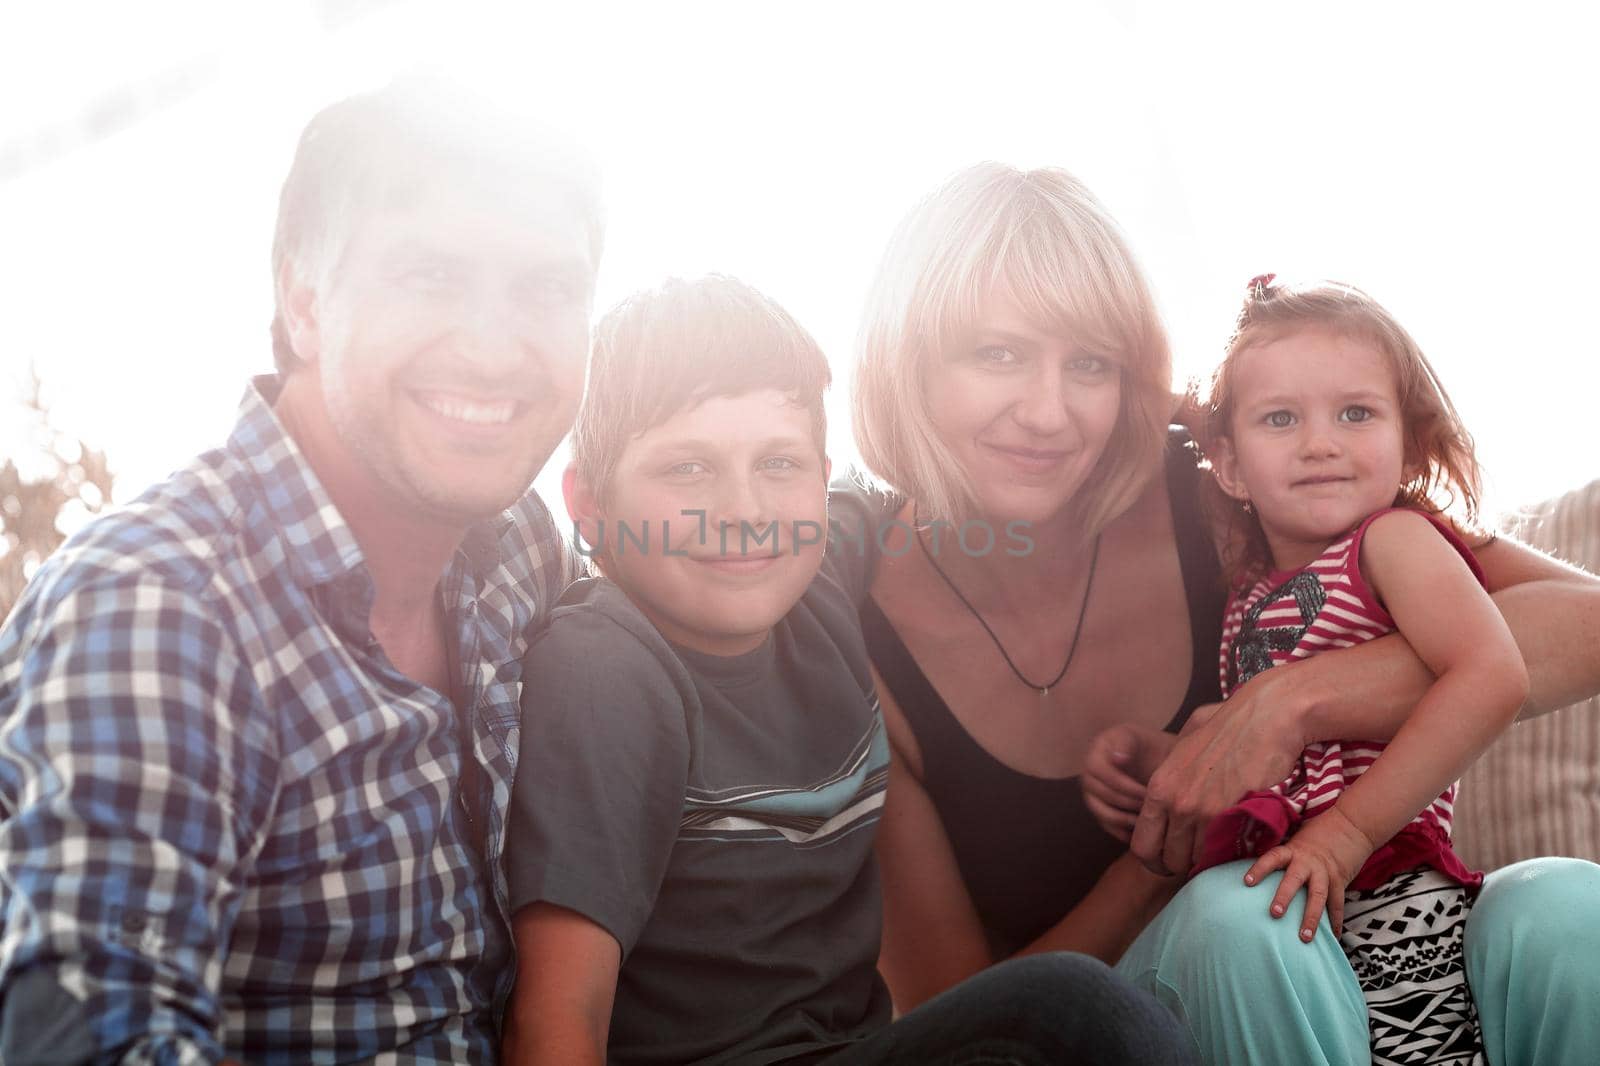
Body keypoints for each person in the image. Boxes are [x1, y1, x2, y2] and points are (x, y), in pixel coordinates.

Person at [843, 161, 1600, 1065]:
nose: (1047, 413)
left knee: (1563, 902)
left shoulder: (1218, 493)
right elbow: (967, 1017)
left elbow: (1582, 621)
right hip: (1147, 1009)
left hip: (1366, 958)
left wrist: (1291, 702)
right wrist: (1162, 856)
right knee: (1239, 923)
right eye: (997, 354)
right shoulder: (858, 640)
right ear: (907, 361)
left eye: (1089, 364)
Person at [0, 80, 599, 1062]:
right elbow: (92, 1027)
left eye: (546, 289)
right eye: (430, 276)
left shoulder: (516, 545)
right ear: (304, 302)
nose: (495, 350)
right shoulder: (161, 608)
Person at [501, 275, 1195, 1066]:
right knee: (1070, 1013)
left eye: (779, 463)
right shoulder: (606, 671)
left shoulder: (821, 574)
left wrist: (1203, 414)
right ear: (589, 505)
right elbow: (557, 1014)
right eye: (687, 470)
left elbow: (933, 467)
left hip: (858, 1047)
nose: (744, 510)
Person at [1088, 276, 1528, 1064]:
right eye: (1280, 419)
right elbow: (1284, 760)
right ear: (1227, 464)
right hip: (1302, 904)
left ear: (1406, 441)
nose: (1320, 443)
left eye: (1356, 414)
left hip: (1389, 892)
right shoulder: (1253, 584)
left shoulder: (1393, 542)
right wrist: (1163, 759)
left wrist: (1345, 836)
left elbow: (1493, 673)